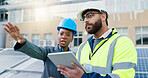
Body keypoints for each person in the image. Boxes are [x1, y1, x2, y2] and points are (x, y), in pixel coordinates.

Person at [57, 8, 137, 78]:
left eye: (89, 15)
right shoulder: (82, 47)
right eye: (84, 18)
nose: (85, 20)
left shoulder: (122, 43)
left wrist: (84, 77)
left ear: (103, 17)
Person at [4, 18, 77, 78]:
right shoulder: (49, 51)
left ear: (72, 39)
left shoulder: (76, 57)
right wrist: (22, 41)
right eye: (61, 34)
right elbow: (35, 51)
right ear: (58, 36)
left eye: (68, 35)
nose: (63, 37)